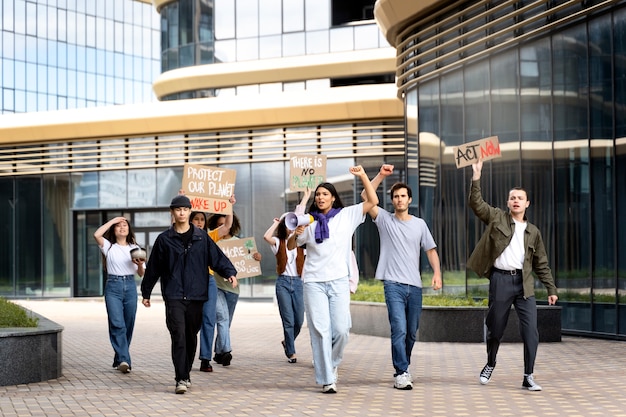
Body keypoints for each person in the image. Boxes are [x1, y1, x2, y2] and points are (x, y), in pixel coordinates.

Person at [468, 159, 558, 391]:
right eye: (512, 197)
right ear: (508, 202)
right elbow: (476, 204)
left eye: (520, 198)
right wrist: (476, 176)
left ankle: (528, 375)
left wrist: (551, 289)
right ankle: (490, 362)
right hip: (500, 280)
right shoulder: (497, 217)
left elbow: (541, 263)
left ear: (527, 203)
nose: (516, 200)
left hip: (524, 284)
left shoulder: (533, 232)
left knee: (530, 332)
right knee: (496, 327)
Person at [293, 165, 378, 394]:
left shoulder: (347, 215)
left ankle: (331, 364)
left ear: (333, 198)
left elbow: (372, 200)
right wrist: (296, 233)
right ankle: (327, 378)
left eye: (325, 194)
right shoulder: (308, 221)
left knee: (341, 329)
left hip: (339, 280)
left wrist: (362, 175)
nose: (320, 197)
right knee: (320, 330)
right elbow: (292, 246)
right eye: (318, 194)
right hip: (313, 282)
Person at [140, 195, 237, 394]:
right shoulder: (164, 239)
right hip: (174, 295)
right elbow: (154, 268)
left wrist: (229, 273)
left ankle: (186, 373)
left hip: (196, 295)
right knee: (179, 335)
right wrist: (146, 292)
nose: (182, 212)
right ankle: (181, 378)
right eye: (178, 209)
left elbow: (216, 257)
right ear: (172, 213)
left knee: (191, 336)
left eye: (185, 209)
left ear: (190, 211)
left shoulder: (202, 238)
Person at [362, 164, 442, 390]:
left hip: (414, 287)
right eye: (395, 196)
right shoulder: (385, 220)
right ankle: (401, 371)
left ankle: (404, 365)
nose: (399, 199)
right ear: (392, 201)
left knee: (411, 333)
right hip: (393, 285)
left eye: (403, 196)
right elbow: (365, 195)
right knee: (398, 328)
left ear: (410, 200)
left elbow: (431, 251)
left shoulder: (420, 224)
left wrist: (437, 274)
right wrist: (380, 175)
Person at [209, 211, 262, 367]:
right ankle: (226, 351)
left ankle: (219, 353)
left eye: (224, 225)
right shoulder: (212, 242)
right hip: (216, 286)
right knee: (222, 318)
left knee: (226, 322)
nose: (222, 227)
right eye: (218, 225)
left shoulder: (239, 243)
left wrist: (256, 257)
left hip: (233, 289)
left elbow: (250, 258)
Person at [263, 189, 310, 363]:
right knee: (288, 320)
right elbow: (266, 236)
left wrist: (305, 197)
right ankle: (291, 351)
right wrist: (276, 223)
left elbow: (301, 214)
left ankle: (287, 341)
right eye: (287, 222)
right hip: (283, 283)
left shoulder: (300, 241)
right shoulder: (278, 242)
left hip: (298, 283)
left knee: (299, 320)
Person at [94, 216, 145, 374]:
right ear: (114, 230)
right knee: (117, 324)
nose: (122, 228)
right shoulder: (108, 246)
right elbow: (97, 234)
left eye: (125, 225)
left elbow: (141, 273)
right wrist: (113, 220)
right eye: (118, 226)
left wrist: (140, 265)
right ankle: (124, 359)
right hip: (113, 287)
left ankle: (119, 357)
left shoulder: (135, 247)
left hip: (130, 287)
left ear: (129, 229)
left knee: (128, 324)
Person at [190, 205, 234, 373]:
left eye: (202, 220)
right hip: (190, 282)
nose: (200, 222)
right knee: (192, 323)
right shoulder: (181, 237)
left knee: (209, 320)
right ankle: (187, 354)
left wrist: (230, 206)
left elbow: (227, 226)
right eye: (196, 219)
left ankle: (205, 359)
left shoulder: (209, 237)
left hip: (208, 281)